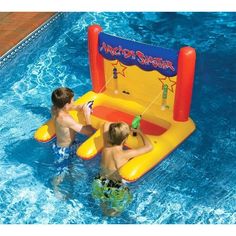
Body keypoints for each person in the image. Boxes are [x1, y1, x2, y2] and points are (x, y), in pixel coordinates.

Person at [92, 121, 153, 216]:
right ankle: (110, 215)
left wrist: (120, 128)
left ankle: (104, 212)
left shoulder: (106, 146)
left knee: (102, 202)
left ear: (110, 135)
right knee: (123, 203)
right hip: (115, 187)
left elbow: (106, 124)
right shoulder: (125, 154)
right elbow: (149, 147)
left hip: (99, 182)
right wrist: (140, 132)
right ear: (125, 139)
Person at [51, 87, 94, 198]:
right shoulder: (65, 119)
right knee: (61, 171)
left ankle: (72, 177)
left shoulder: (55, 109)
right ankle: (55, 188)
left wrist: (82, 106)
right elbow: (89, 132)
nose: (74, 102)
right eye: (73, 100)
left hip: (68, 145)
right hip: (64, 151)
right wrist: (87, 114)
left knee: (71, 168)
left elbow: (71, 107)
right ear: (66, 105)